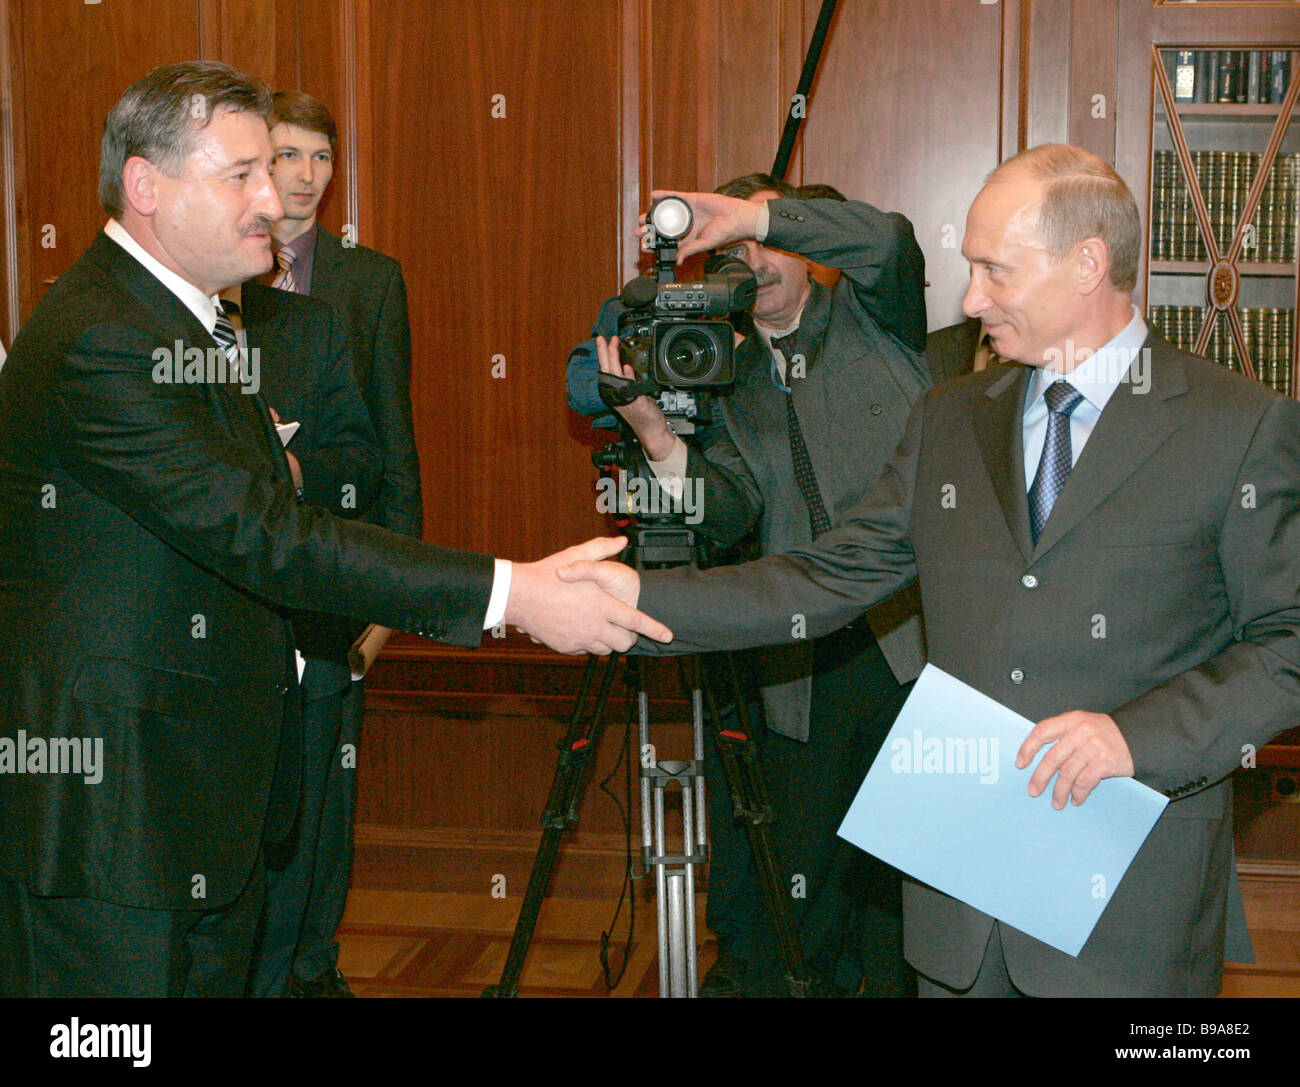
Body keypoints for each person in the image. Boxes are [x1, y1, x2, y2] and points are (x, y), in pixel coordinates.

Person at [559, 144, 1300, 997]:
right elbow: (819, 578)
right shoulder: (949, 418)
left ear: (1088, 262)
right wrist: (637, 601)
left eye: (995, 270)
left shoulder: (1237, 427)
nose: (971, 299)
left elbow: (1286, 645)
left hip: (1127, 910)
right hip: (959, 909)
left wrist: (1138, 737)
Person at [0, 60, 667, 997]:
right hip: (116, 818)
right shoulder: (106, 336)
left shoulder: (187, 323)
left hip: (192, 804)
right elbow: (265, 534)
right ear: (146, 185)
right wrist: (513, 593)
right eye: (241, 175)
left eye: (270, 173)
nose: (273, 199)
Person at [571, 172, 931, 996]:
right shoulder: (722, 374)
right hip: (802, 666)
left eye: (770, 241)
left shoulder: (879, 317)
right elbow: (725, 513)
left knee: (907, 903)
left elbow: (891, 242)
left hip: (915, 650)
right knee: (807, 898)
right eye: (735, 252)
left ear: (810, 250)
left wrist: (753, 214)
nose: (757, 262)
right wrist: (661, 439)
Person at [244, 89, 420, 999]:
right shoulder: (209, 295)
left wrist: (396, 601)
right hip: (238, 599)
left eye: (321, 157)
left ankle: (312, 965)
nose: (304, 176)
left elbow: (391, 444)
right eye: (285, 156)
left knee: (324, 800)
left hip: (336, 588)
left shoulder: (365, 281)